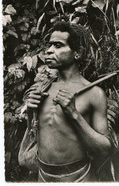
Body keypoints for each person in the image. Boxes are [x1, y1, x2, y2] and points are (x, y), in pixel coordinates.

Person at [25, 21, 112, 182]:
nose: (49, 51)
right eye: (50, 45)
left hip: (78, 178)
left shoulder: (94, 94)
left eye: (58, 45)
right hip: (42, 177)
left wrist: (74, 114)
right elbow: (34, 134)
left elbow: (106, 149)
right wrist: (31, 113)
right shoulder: (43, 89)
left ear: (77, 53)